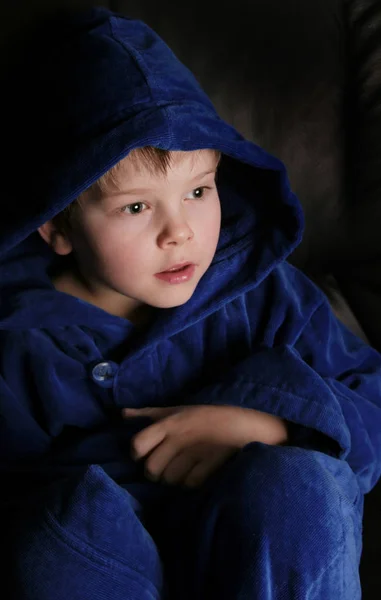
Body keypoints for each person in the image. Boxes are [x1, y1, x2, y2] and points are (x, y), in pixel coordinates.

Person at [0, 6, 380, 599]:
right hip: (117, 567)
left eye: (199, 191)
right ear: (58, 227)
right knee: (54, 539)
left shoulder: (265, 293)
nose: (179, 231)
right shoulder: (17, 336)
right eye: (136, 207)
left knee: (299, 487)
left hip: (265, 558)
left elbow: (373, 400)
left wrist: (269, 423)